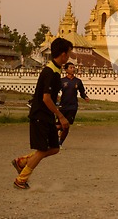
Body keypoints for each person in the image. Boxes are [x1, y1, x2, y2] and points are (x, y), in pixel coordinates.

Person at [11, 37, 73, 189]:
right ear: (63, 54)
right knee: (42, 150)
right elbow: (46, 98)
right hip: (40, 115)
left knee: (54, 148)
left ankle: (23, 161)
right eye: (69, 53)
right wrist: (61, 116)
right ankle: (21, 179)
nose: (70, 57)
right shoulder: (50, 72)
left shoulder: (56, 70)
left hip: (47, 116)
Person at [57, 62, 90, 149]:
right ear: (66, 70)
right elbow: (55, 91)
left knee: (67, 125)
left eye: (74, 67)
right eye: (71, 68)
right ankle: (53, 135)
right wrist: (56, 98)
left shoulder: (78, 81)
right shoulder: (62, 81)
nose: (73, 69)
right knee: (58, 125)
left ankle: (60, 143)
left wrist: (85, 97)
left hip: (73, 106)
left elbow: (82, 92)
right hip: (63, 106)